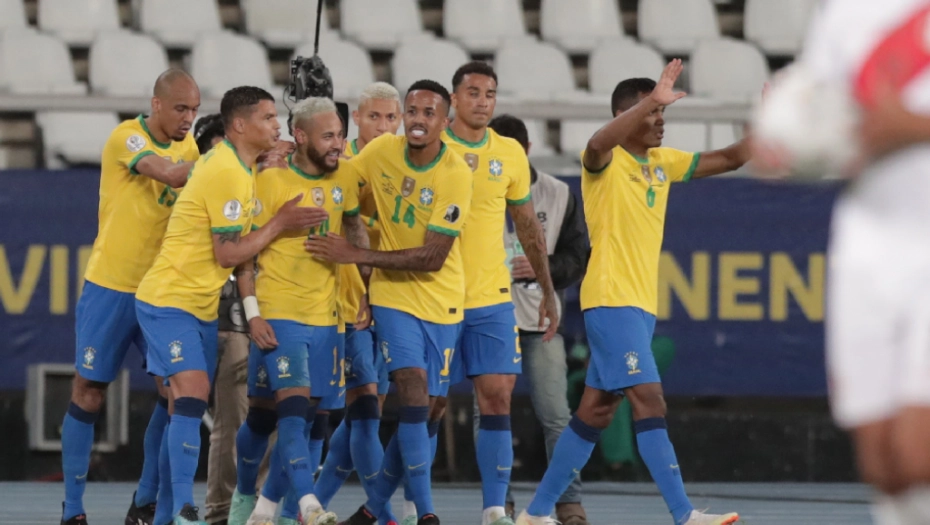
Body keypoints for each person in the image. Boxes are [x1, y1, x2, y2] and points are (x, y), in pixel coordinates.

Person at [516, 59, 753, 525]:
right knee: (650, 400)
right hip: (611, 301)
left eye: (662, 113)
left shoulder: (662, 164)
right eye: (652, 113)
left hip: (639, 307)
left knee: (595, 412)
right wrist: (649, 101)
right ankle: (684, 515)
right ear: (627, 114)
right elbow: (596, 143)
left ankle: (536, 513)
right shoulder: (604, 163)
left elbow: (732, 158)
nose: (660, 121)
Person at [755, 1, 930, 523]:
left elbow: (896, 123)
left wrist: (915, 127)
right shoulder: (845, 11)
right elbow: (818, 106)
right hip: (866, 241)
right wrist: (784, 140)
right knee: (885, 466)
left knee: (919, 454)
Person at [134, 86, 327, 525]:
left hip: (198, 305)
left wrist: (265, 157)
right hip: (169, 299)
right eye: (268, 118)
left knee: (179, 408)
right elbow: (228, 254)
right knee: (192, 396)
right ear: (239, 125)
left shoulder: (237, 165)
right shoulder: (226, 171)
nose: (277, 125)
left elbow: (238, 249)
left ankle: (164, 515)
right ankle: (183, 509)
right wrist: (280, 223)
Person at [305, 79, 473, 525]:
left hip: (442, 300)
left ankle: (370, 509)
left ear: (445, 121)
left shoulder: (456, 173)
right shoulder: (381, 152)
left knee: (430, 409)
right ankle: (425, 514)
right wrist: (294, 152)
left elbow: (433, 258)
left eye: (428, 113)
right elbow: (338, 178)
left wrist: (356, 255)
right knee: (406, 392)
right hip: (390, 297)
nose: (417, 120)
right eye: (412, 111)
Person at [60, 69, 200, 525]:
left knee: (175, 392)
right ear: (156, 104)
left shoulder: (192, 147)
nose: (188, 118)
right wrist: (226, 159)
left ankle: (145, 501)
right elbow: (171, 175)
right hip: (111, 285)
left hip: (161, 291)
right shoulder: (128, 137)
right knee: (89, 392)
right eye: (181, 108)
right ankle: (73, 510)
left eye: (195, 110)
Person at [227, 96, 367, 525]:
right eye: (328, 136)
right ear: (300, 136)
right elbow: (243, 257)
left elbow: (355, 228)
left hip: (328, 319)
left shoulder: (347, 176)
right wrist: (253, 313)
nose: (338, 144)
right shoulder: (269, 181)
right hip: (280, 313)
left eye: (340, 135)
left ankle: (268, 511)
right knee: (285, 413)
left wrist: (365, 288)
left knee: (303, 419)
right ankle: (303, 503)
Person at [435, 62, 557, 525]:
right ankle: (410, 508)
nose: (482, 101)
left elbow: (527, 225)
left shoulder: (508, 152)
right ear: (454, 99)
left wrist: (547, 290)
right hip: (435, 295)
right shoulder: (431, 145)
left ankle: (494, 509)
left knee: (498, 398)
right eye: (473, 92)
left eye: (489, 93)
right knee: (429, 405)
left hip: (491, 296)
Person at [480, 114, 589, 524]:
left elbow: (578, 256)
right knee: (490, 415)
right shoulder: (475, 186)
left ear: (526, 150)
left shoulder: (558, 193)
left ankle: (568, 501)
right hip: (489, 315)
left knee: (556, 415)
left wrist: (547, 268)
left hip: (541, 319)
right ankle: (499, 503)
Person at [313, 82, 403, 525]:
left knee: (363, 415)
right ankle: (384, 515)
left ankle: (305, 507)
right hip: (348, 305)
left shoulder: (402, 167)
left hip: (391, 303)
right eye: (374, 117)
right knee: (364, 410)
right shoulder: (341, 167)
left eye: (391, 118)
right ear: (356, 122)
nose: (383, 126)